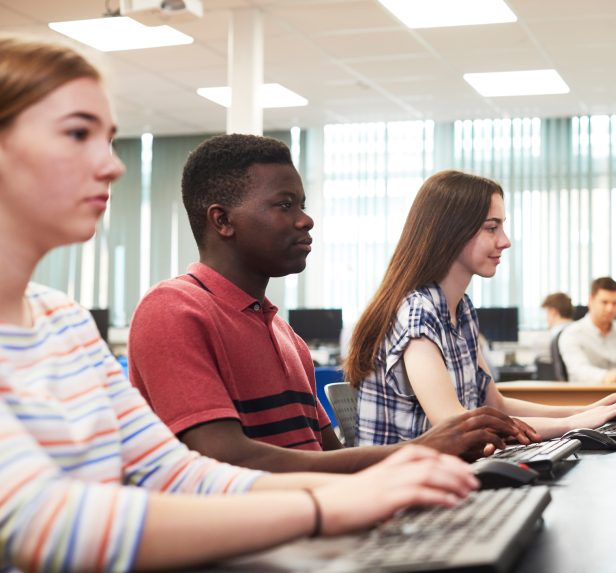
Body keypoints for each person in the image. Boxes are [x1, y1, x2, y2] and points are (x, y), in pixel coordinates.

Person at [0, 35, 478, 571]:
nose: (112, 166)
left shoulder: (65, 323)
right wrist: (324, 507)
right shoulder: (171, 308)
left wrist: (366, 492)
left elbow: (175, 472)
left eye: (109, 139)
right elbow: (41, 521)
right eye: (77, 133)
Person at [128, 133, 532, 474]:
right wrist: (424, 450)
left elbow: (331, 457)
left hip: (312, 526)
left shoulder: (283, 335)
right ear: (222, 221)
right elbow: (222, 459)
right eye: (285, 205)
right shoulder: (174, 310)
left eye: (302, 205)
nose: (306, 220)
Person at [343, 170, 616, 446]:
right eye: (492, 228)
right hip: (403, 495)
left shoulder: (460, 310)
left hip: (443, 478)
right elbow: (455, 425)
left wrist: (595, 410)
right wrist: (573, 425)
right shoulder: (417, 312)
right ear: (451, 232)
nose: (505, 241)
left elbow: (497, 407)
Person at [557, 277, 616, 384]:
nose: (610, 309)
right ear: (591, 301)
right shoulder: (571, 334)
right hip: (587, 396)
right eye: (604, 302)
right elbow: (578, 370)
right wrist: (606, 376)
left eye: (615, 303)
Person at [534, 291, 576, 363]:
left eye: (546, 313)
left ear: (553, 312)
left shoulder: (545, 339)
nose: (546, 318)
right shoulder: (582, 331)